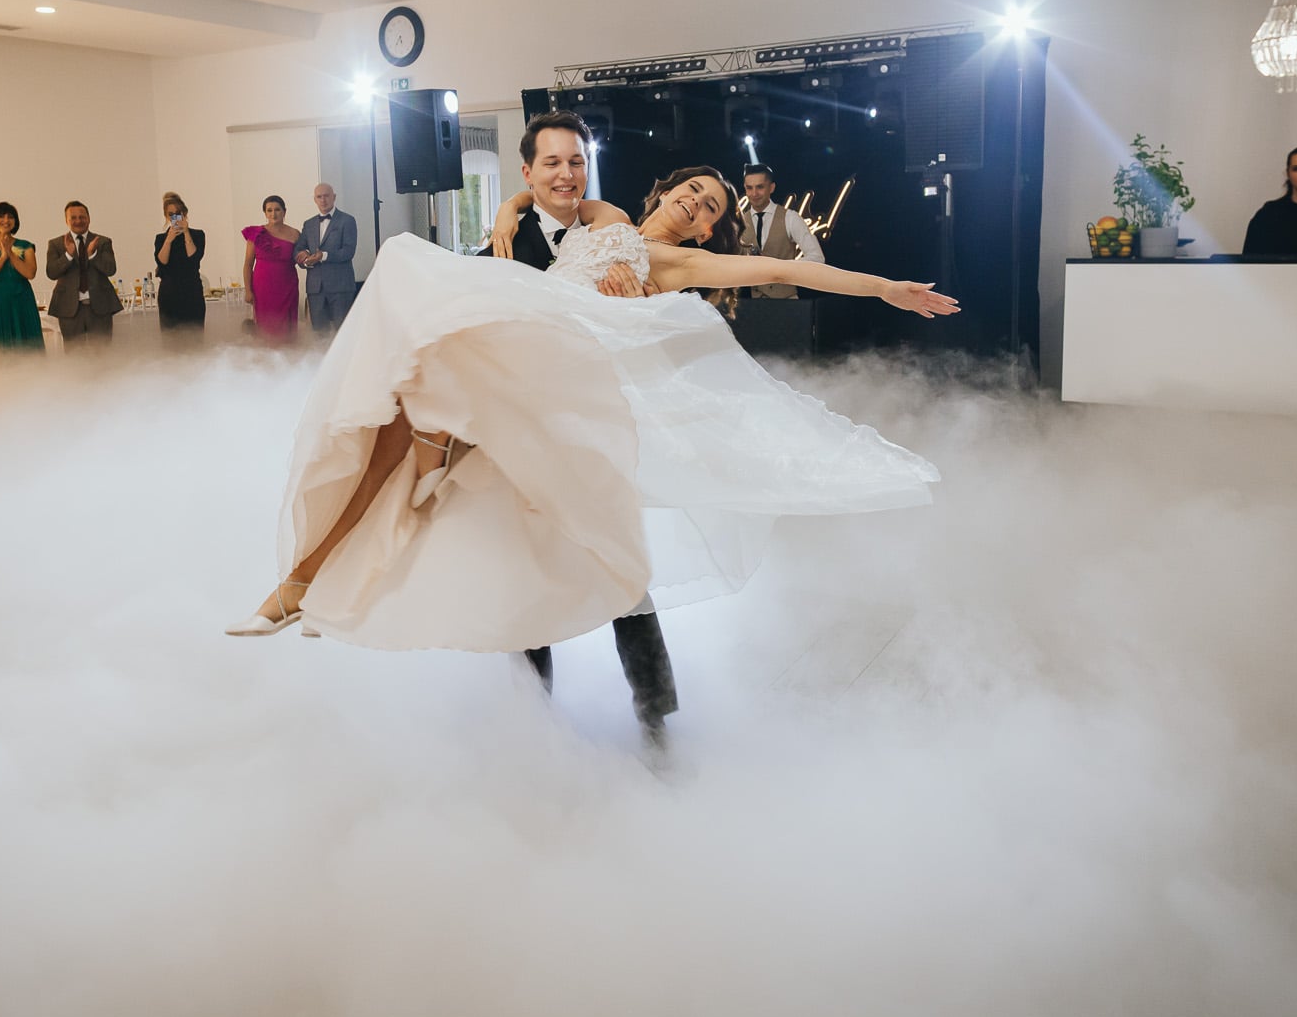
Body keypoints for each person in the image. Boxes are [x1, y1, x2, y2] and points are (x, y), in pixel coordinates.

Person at [229, 164, 955, 752]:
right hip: (516, 371)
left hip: (572, 412)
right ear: (664, 192)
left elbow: (783, 270)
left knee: (614, 570)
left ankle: (655, 726)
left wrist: (883, 289)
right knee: (461, 493)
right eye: (691, 190)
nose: (696, 204)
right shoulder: (601, 219)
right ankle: (325, 578)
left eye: (709, 205)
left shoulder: (678, 261)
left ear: (706, 227)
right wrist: (508, 206)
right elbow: (538, 192)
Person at [465, 113, 674, 732]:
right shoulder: (494, 254)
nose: (566, 174)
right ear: (527, 173)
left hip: (594, 435)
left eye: (576, 161)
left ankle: (656, 721)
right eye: (551, 163)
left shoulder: (611, 236)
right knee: (527, 585)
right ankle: (535, 727)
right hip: (524, 441)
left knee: (625, 575)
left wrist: (636, 306)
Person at [738, 163, 826, 297]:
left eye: (760, 187)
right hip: (751, 304)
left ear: (771, 187)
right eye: (749, 188)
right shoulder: (740, 223)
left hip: (787, 302)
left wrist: (781, 268)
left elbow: (817, 258)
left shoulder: (790, 218)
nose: (754, 193)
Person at [45, 201, 120, 346]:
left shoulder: (103, 242)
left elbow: (111, 269)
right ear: (66, 221)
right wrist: (68, 255)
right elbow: (51, 272)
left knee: (103, 352)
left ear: (89, 218)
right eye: (73, 218)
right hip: (68, 308)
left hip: (100, 306)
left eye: (82, 217)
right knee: (73, 353)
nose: (78, 221)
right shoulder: (56, 244)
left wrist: (93, 255)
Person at [0, 201, 42, 352]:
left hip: (22, 296)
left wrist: (11, 254)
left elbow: (30, 273)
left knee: (28, 340)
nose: (6, 220)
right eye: (1, 216)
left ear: (15, 221)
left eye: (10, 217)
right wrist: (3, 257)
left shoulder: (26, 245)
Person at [295, 183, 358, 332]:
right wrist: (304, 258)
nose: (323, 200)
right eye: (319, 197)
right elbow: (297, 249)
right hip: (315, 288)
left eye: (326, 196)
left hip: (341, 287)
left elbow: (349, 251)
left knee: (343, 332)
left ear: (334, 197)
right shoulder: (308, 224)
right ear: (314, 200)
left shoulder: (347, 220)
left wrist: (323, 256)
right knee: (319, 334)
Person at [242, 195, 303, 342]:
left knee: (287, 329)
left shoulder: (295, 234)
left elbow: (300, 258)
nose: (273, 214)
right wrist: (248, 290)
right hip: (262, 288)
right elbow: (248, 265)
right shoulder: (256, 234)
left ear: (284, 212)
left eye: (277, 210)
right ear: (265, 213)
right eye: (269, 210)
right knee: (265, 326)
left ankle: (288, 353)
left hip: (287, 286)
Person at [154, 192, 207, 333]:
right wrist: (169, 240)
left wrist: (186, 233)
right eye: (171, 214)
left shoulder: (198, 235)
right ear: (166, 216)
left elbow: (194, 258)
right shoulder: (161, 239)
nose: (175, 218)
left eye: (178, 213)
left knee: (195, 336)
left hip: (192, 292)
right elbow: (162, 262)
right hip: (169, 294)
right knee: (170, 338)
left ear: (185, 213)